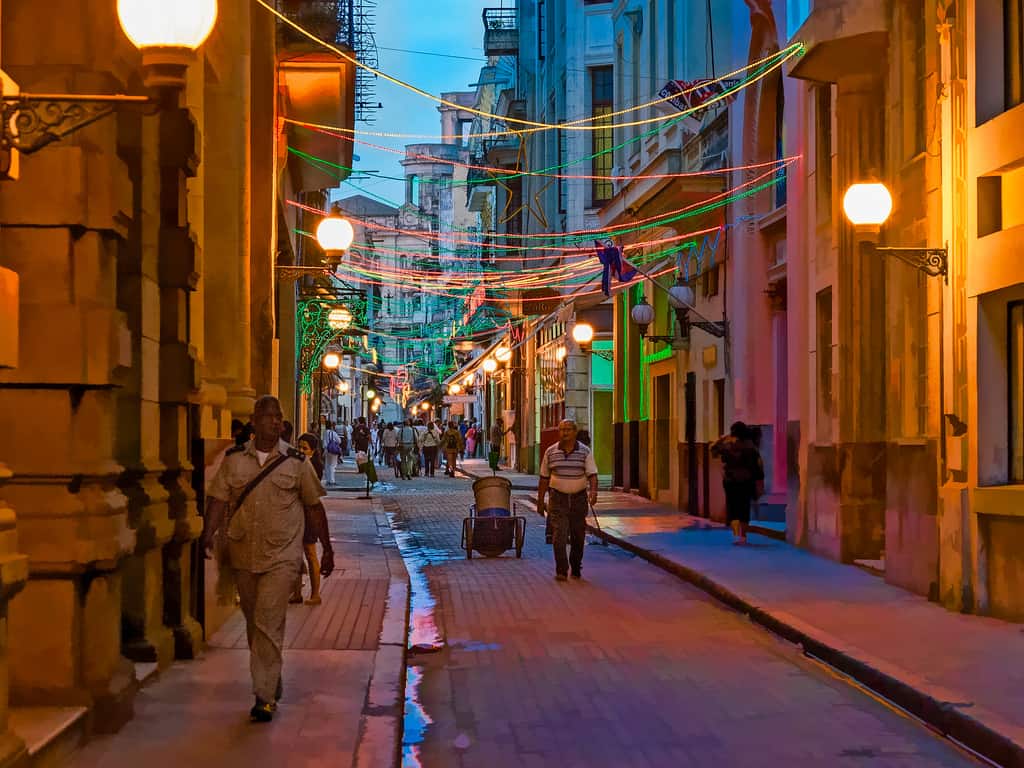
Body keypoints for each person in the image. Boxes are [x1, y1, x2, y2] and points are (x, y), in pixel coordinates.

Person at [203, 395, 334, 723]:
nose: (275, 422)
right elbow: (218, 499)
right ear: (254, 421)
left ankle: (262, 696)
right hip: (243, 552)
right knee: (254, 622)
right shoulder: (234, 461)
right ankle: (270, 680)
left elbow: (314, 505)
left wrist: (327, 548)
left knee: (268, 619)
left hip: (283, 555)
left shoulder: (295, 461)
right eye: (268, 416)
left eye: (279, 417)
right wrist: (207, 534)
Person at [536, 419, 598, 582]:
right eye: (562, 430)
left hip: (578, 498)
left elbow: (592, 474)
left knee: (578, 535)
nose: (565, 433)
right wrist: (540, 500)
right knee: (559, 535)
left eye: (568, 430)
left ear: (575, 432)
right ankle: (561, 570)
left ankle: (576, 566)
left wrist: (593, 491)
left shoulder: (585, 452)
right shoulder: (550, 452)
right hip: (558, 498)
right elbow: (543, 478)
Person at [710, 421, 765, 545]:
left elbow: (712, 449)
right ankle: (743, 536)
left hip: (731, 482)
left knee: (733, 509)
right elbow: (758, 467)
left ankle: (737, 536)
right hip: (747, 482)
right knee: (744, 509)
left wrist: (722, 438)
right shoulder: (751, 447)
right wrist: (759, 482)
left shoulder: (728, 446)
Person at [292, 433, 327, 607]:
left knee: (310, 553)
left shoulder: (313, 467)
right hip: (296, 515)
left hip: (309, 515)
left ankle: (315, 593)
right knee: (295, 554)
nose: (300, 450)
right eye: (299, 447)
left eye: (304, 448)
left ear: (312, 451)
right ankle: (296, 592)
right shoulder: (296, 465)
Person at [322, 420, 341, 486]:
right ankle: (332, 480)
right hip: (333, 450)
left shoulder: (325, 432)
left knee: (327, 465)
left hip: (327, 450)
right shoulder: (333, 433)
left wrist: (324, 449)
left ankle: (328, 480)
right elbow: (339, 441)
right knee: (332, 465)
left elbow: (324, 442)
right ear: (331, 426)